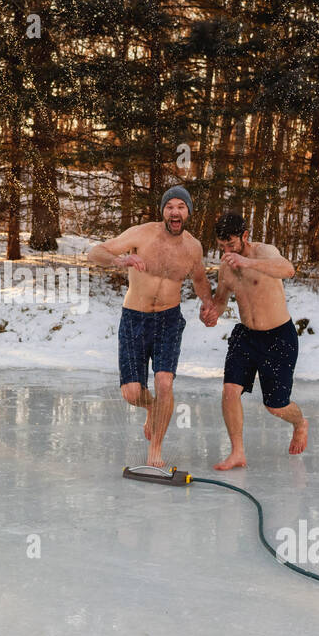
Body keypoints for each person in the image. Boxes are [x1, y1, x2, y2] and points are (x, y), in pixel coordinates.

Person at [87, 186, 216, 468]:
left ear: (188, 212)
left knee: (164, 382)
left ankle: (155, 451)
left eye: (181, 206)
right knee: (132, 393)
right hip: (134, 318)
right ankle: (153, 407)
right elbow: (94, 253)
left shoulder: (193, 247)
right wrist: (121, 260)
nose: (175, 211)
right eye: (170, 206)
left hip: (169, 319)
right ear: (163, 211)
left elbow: (199, 280)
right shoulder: (141, 234)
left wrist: (208, 304)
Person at [200, 212, 308, 464]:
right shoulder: (226, 267)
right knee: (229, 391)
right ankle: (237, 452)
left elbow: (288, 269)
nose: (226, 251)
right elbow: (221, 299)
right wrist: (210, 311)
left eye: (231, 244)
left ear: (245, 236)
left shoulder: (265, 252)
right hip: (246, 336)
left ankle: (300, 422)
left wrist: (247, 262)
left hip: (279, 337)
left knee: (276, 406)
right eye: (222, 246)